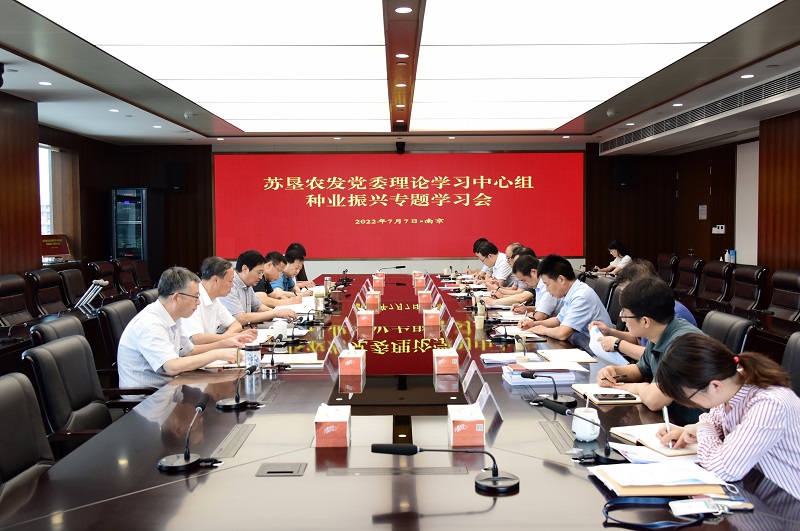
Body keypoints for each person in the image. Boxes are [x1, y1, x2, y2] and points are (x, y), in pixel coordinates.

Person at [655, 334, 800, 500]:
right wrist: (692, 431)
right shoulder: (731, 386)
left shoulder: (769, 404)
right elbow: (712, 421)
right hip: (756, 489)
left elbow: (725, 469)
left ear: (715, 385)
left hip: (788, 504)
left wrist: (702, 430)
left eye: (689, 398)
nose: (691, 404)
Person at [596, 277, 704, 425]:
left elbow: (655, 401)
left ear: (645, 321)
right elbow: (641, 369)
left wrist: (633, 387)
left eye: (625, 314)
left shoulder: (683, 344)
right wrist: (614, 372)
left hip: (692, 427)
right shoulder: (659, 333)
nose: (623, 319)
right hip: (670, 421)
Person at [118, 267, 238, 389]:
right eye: (195, 297)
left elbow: (189, 351)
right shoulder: (150, 323)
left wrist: (223, 344)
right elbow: (172, 367)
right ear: (176, 297)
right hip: (150, 396)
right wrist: (216, 354)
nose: (198, 302)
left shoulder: (173, 316)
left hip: (172, 387)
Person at [590, 259, 696, 361]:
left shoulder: (673, 312)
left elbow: (660, 357)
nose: (624, 297)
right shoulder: (647, 307)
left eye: (627, 291)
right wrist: (610, 332)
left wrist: (618, 344)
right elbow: (639, 341)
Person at [520, 254, 612, 350]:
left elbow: (563, 333)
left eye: (547, 284)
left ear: (561, 279)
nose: (547, 290)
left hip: (595, 354)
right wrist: (534, 324)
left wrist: (543, 330)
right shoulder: (572, 292)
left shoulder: (581, 296)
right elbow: (558, 320)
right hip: (581, 348)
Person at [180, 256, 258, 346]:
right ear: (215, 280)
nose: (232, 285)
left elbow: (236, 325)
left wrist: (226, 338)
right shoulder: (193, 298)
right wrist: (231, 337)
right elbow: (197, 339)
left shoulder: (215, 299)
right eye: (230, 281)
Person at [220, 250, 297, 325]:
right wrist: (275, 313)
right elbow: (241, 318)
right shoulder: (230, 285)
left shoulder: (247, 284)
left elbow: (258, 307)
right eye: (259, 273)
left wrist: (280, 313)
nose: (260, 277)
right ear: (245, 269)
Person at [508, 254, 562, 320]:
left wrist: (528, 314)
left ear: (533, 272)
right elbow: (541, 308)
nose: (525, 284)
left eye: (524, 280)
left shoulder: (546, 285)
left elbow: (540, 316)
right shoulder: (538, 285)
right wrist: (525, 308)